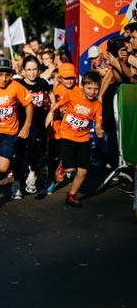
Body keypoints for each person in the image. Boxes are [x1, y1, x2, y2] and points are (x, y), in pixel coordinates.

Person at [0, 57, 33, 213]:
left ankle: (0, 176)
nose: (4, 78)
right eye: (0, 74)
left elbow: (29, 105)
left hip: (9, 133)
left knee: (3, 168)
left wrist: (27, 125)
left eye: (7, 75)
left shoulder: (16, 86)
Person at [45, 71, 103, 207]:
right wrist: (50, 114)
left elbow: (98, 123)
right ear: (82, 86)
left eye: (96, 89)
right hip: (67, 135)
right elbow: (58, 105)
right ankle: (63, 165)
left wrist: (100, 130)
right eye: (89, 88)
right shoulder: (73, 95)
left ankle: (71, 195)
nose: (92, 92)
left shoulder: (97, 105)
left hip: (83, 139)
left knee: (84, 170)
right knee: (70, 169)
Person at [14, 55, 55, 196]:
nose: (32, 72)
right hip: (21, 123)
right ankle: (16, 183)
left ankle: (32, 174)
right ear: (23, 71)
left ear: (38, 70)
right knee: (19, 152)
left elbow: (51, 93)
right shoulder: (18, 84)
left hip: (38, 123)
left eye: (35, 69)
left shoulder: (43, 82)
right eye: (29, 69)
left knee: (36, 150)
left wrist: (52, 111)